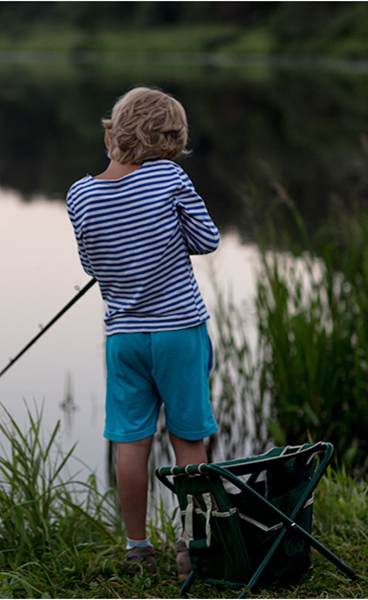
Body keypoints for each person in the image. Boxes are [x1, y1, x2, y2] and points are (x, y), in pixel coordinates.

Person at [65, 87, 220, 575]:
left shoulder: (80, 194)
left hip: (124, 338)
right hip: (178, 331)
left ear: (113, 133)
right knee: (188, 438)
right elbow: (206, 239)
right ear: (169, 145)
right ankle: (193, 546)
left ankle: (137, 547)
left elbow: (93, 264)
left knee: (130, 442)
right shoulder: (169, 177)